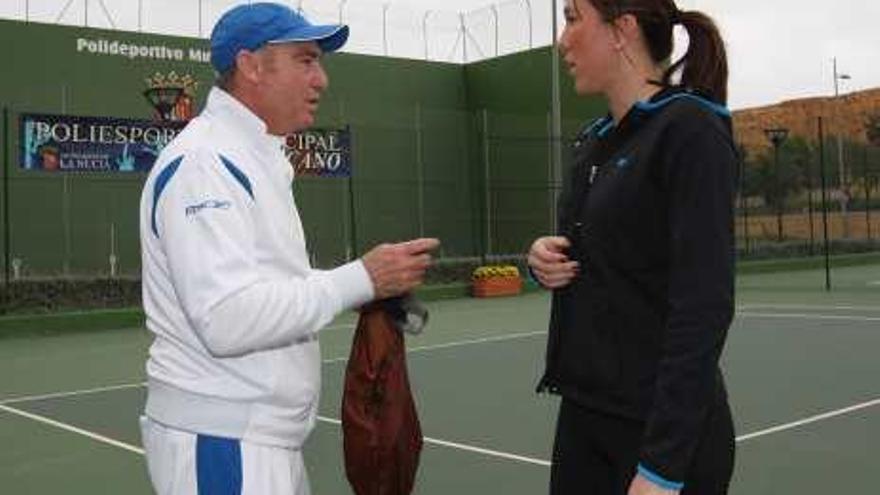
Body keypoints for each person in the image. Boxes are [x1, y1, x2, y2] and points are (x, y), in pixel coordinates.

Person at [137, 3, 439, 494]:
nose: (321, 79)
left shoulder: (252, 158)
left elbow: (268, 291)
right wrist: (362, 278)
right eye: (305, 60)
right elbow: (227, 318)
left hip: (257, 441)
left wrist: (363, 283)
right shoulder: (204, 164)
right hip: (224, 444)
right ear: (251, 64)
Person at [529, 0, 737, 494]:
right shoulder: (593, 142)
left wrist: (661, 468)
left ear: (621, 30)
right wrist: (545, 259)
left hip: (660, 438)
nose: (562, 40)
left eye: (573, 18)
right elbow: (607, 258)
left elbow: (704, 306)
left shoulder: (691, 130)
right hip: (584, 418)